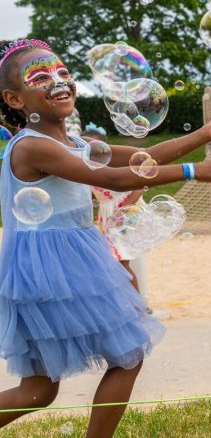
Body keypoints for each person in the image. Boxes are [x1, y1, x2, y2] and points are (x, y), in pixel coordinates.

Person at [0, 38, 211, 438]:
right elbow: (114, 178)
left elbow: (140, 159)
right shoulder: (31, 147)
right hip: (53, 269)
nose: (57, 81)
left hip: (63, 261)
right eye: (40, 78)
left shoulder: (75, 140)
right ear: (15, 100)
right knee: (129, 352)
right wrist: (195, 171)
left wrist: (205, 135)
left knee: (38, 391)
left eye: (60, 71)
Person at [82, 124, 150, 305]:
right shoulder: (86, 169)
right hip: (107, 216)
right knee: (115, 264)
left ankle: (138, 305)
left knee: (122, 263)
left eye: (96, 151)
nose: (93, 156)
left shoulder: (117, 165)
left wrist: (124, 210)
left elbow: (140, 185)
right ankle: (129, 303)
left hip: (126, 213)